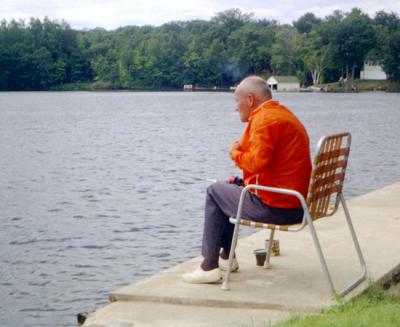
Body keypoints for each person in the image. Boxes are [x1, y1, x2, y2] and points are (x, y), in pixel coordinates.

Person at [182, 76, 312, 284]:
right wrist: (241, 148)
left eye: (237, 101)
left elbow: (255, 164)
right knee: (228, 188)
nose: (236, 107)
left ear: (250, 99)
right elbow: (256, 155)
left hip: (279, 208)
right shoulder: (279, 114)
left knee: (214, 191)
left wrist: (234, 154)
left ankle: (209, 266)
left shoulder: (264, 120)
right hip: (294, 203)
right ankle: (226, 258)